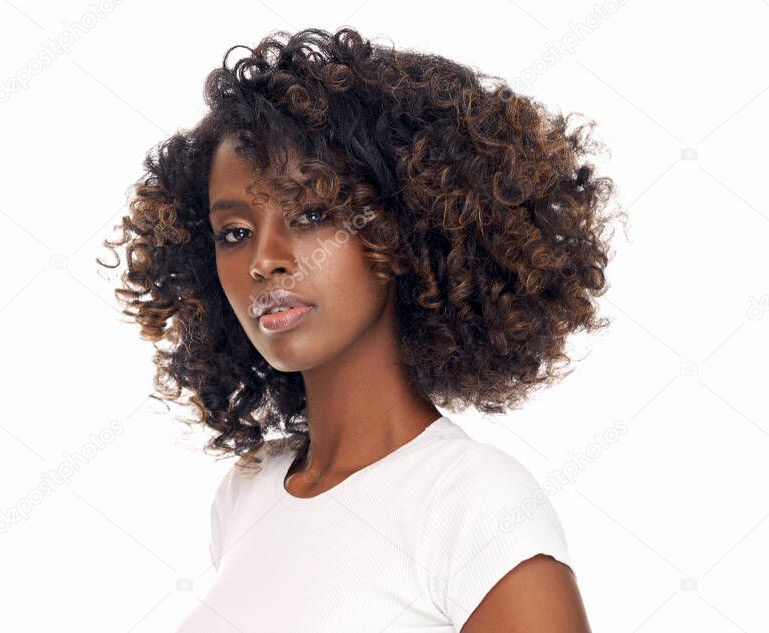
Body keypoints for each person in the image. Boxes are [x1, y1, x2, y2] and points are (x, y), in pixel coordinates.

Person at [99, 26, 621, 633]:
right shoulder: (249, 491)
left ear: (403, 229)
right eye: (235, 232)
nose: (265, 259)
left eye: (312, 215)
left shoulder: (472, 500)